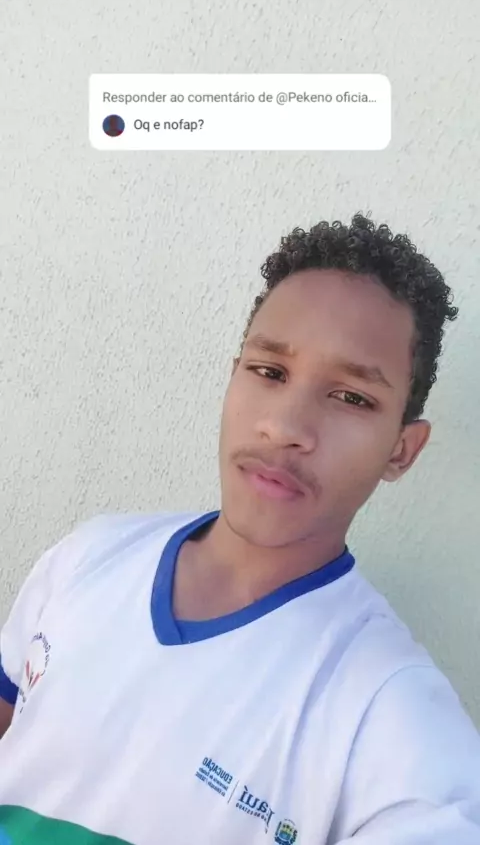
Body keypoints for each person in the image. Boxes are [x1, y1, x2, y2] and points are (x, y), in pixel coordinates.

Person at [0, 213, 479, 845]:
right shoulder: (88, 558)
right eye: (269, 371)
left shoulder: (391, 715)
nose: (285, 427)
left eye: (352, 398)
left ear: (402, 450)